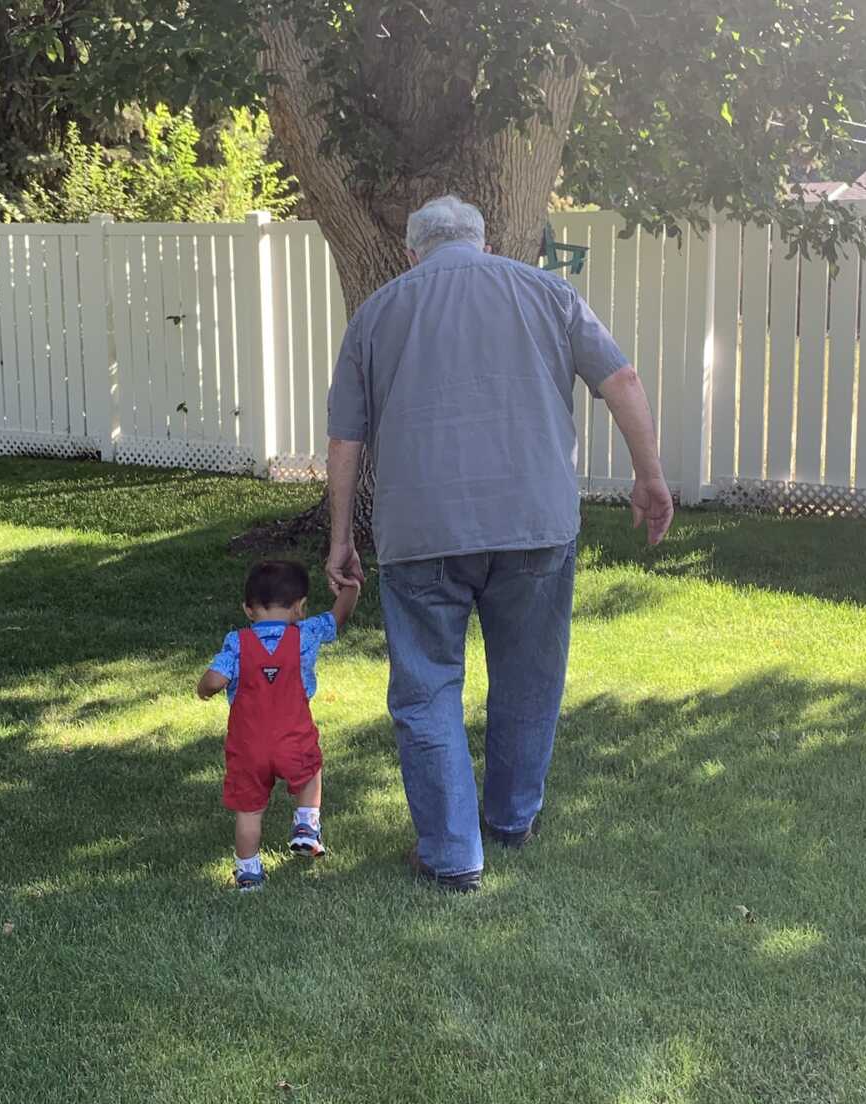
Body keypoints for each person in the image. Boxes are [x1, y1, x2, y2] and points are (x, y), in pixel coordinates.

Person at [325, 195, 673, 893]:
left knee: (426, 690)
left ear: (409, 253)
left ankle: (453, 855)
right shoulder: (548, 292)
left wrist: (340, 539)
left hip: (421, 533)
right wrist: (650, 476)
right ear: (484, 245)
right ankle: (512, 820)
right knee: (529, 677)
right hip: (533, 525)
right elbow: (623, 380)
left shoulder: (376, 313)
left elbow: (346, 440)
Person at [197, 559, 359, 890]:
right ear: (300, 607)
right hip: (293, 738)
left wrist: (204, 690)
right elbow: (338, 616)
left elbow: (214, 679)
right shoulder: (307, 634)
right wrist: (352, 585)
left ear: (248, 609)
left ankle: (248, 872)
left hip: (247, 746)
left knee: (249, 810)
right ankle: (305, 824)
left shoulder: (237, 644)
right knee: (310, 770)